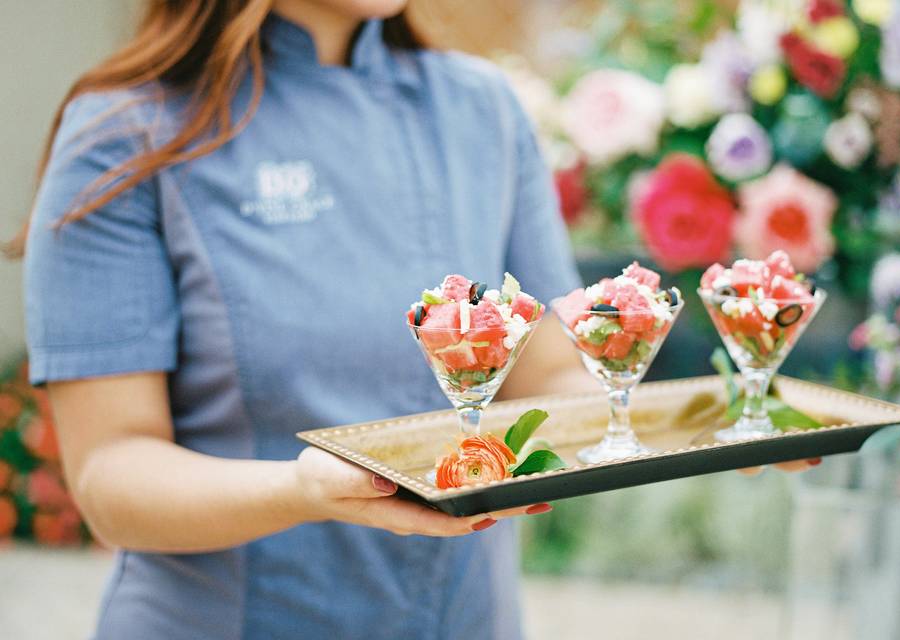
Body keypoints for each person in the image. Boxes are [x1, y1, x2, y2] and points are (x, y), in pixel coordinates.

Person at [14, 1, 817, 638]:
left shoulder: (483, 111)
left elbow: (551, 380)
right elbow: (110, 475)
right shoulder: (125, 138)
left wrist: (705, 426)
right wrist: (305, 489)